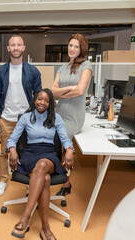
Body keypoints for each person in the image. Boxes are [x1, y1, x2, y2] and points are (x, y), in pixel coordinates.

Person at [7, 88, 74, 240]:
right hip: (30, 154)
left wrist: (69, 149)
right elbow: (12, 139)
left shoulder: (56, 118)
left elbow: (64, 138)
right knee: (45, 179)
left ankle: (25, 217)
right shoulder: (26, 118)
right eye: (39, 99)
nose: (42, 103)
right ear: (34, 100)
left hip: (49, 155)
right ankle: (45, 229)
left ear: (50, 104)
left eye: (46, 100)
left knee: (43, 165)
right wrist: (12, 149)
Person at [0, 34, 42, 197]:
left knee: (28, 151)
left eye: (18, 45)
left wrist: (36, 117)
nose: (15, 48)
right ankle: (3, 179)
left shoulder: (32, 71)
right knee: (4, 151)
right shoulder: (0, 71)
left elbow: (38, 96)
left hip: (27, 119)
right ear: (8, 48)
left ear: (23, 48)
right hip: (7, 118)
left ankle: (29, 181)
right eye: (12, 45)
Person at [50, 33, 92, 196]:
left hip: (74, 115)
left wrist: (61, 92)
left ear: (81, 49)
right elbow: (52, 93)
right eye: (70, 45)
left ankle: (63, 178)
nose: (72, 49)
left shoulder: (86, 65)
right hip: (59, 112)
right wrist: (70, 89)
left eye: (76, 46)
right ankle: (65, 181)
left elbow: (81, 90)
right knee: (47, 139)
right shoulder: (62, 68)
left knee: (60, 140)